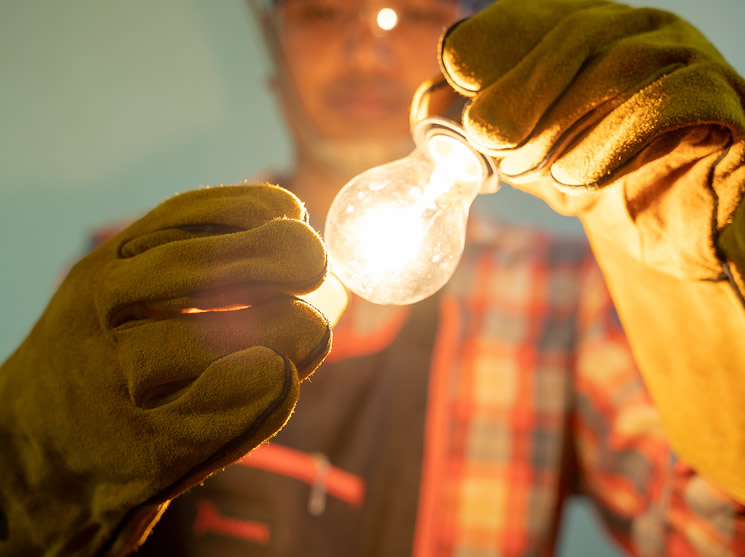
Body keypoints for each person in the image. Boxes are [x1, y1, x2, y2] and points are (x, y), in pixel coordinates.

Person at [1, 0, 744, 555]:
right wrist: (25, 489)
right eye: (325, 11)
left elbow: (709, 527)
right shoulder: (144, 278)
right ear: (272, 42)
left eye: (414, 11)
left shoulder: (560, 298)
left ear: (475, 45)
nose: (368, 43)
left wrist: (685, 271)